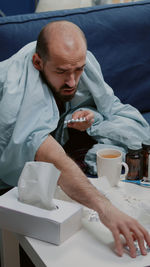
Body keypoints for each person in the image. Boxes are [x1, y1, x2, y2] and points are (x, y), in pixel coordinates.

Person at [0, 20, 150, 258]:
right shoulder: (18, 84)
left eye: (77, 70)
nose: (72, 81)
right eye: (61, 71)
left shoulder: (82, 63)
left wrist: (93, 117)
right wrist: (105, 208)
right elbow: (46, 151)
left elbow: (109, 106)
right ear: (38, 62)